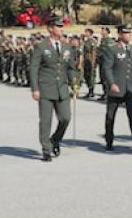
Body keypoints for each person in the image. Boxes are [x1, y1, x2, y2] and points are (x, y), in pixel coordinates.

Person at [29, 18, 78, 162]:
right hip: (45, 88)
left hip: (62, 88)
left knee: (65, 118)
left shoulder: (67, 46)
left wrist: (74, 82)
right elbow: (33, 68)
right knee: (45, 121)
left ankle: (55, 139)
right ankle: (46, 149)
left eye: (61, 27)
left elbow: (70, 67)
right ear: (50, 29)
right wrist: (35, 88)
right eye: (58, 26)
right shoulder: (41, 46)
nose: (61, 29)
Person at [102, 24, 132, 152]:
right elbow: (107, 68)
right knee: (110, 116)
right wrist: (112, 83)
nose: (130, 35)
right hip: (116, 88)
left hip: (129, 88)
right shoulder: (112, 49)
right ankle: (109, 141)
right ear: (120, 34)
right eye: (126, 33)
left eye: (130, 33)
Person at [82, 28, 97, 99]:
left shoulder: (92, 41)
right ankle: (89, 90)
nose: (85, 33)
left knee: (91, 76)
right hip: (86, 61)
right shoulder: (86, 41)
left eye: (86, 32)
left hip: (90, 61)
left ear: (90, 33)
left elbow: (93, 52)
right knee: (86, 76)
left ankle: (91, 91)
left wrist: (93, 62)